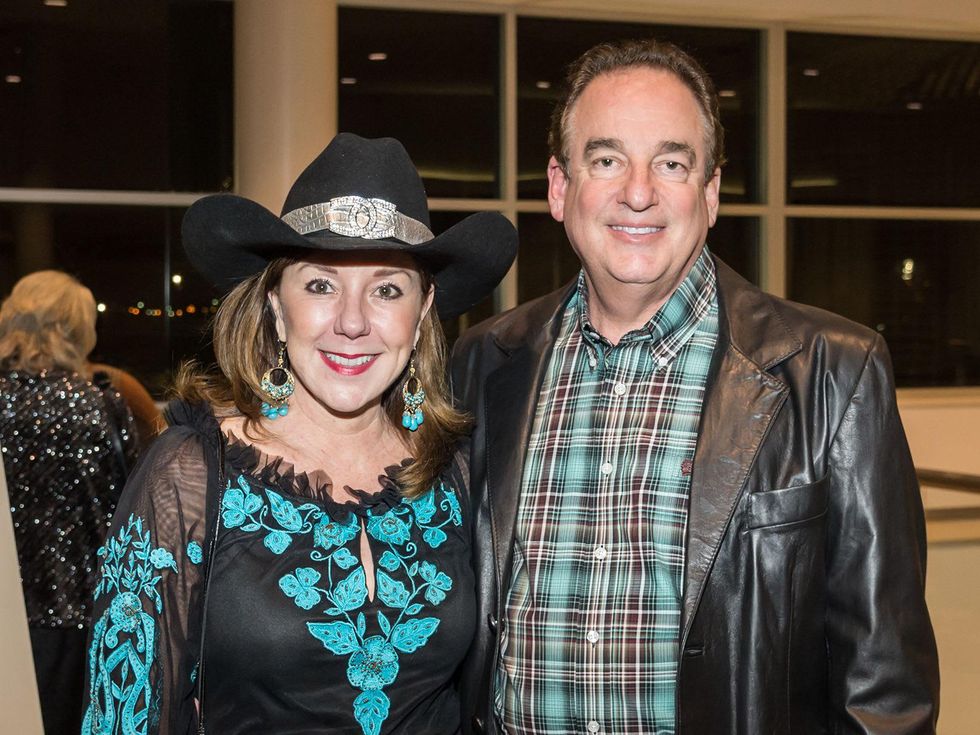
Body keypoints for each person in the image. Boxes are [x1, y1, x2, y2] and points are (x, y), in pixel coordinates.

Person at [451, 39, 939, 734]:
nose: (639, 191)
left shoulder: (833, 372)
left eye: (672, 163)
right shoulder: (481, 364)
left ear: (710, 193)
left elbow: (885, 692)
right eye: (607, 159)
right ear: (560, 189)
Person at [80, 133, 517, 735]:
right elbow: (119, 718)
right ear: (275, 306)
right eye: (319, 285)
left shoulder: (459, 471)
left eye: (387, 289)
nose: (353, 321)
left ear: (422, 313)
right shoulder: (190, 476)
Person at [0, 270, 138, 735]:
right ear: (78, 328)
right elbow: (131, 499)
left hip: (10, 606)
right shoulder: (100, 404)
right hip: (86, 607)